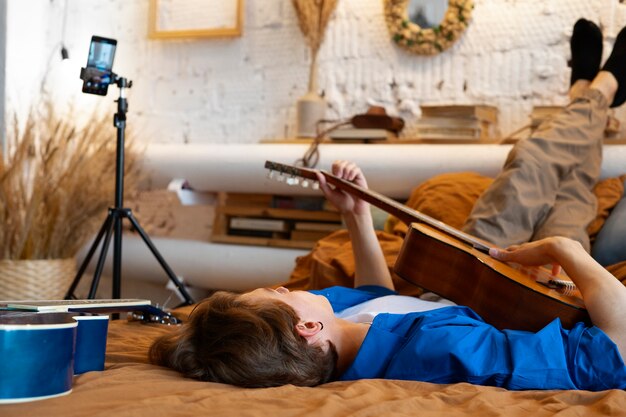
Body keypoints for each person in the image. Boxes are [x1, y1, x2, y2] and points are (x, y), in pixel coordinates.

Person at [149, 20, 626, 390]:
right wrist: (568, 251)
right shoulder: (444, 350)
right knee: (559, 187)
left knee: (536, 166)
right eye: (276, 293)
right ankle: (602, 89)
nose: (279, 286)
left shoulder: (330, 335)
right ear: (309, 327)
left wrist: (355, 216)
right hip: (510, 291)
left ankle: (583, 92)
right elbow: (616, 351)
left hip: (467, 271)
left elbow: (376, 301)